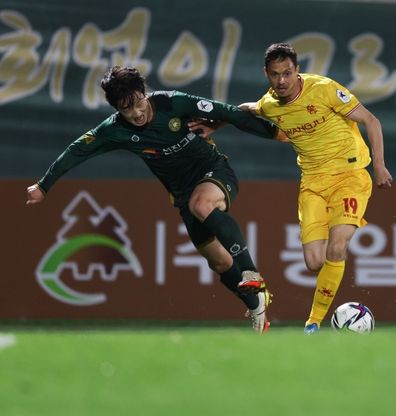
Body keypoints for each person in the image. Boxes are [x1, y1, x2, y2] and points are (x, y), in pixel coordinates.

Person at [25, 66, 276, 334]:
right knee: (219, 262)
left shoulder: (173, 102)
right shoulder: (115, 129)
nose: (135, 113)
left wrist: (274, 133)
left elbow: (229, 113)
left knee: (201, 204)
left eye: (136, 103)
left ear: (143, 92)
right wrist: (44, 185)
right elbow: (77, 151)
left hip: (214, 172)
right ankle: (257, 304)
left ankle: (252, 276)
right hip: (182, 197)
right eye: (125, 109)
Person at [195, 43, 393, 334]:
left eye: (287, 73)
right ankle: (323, 311)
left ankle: (313, 322)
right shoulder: (271, 104)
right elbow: (245, 110)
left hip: (349, 176)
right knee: (314, 262)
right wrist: (215, 125)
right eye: (275, 74)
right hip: (312, 183)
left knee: (337, 247)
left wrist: (379, 165)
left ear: (297, 70)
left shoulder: (324, 89)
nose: (282, 80)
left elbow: (370, 120)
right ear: (266, 74)